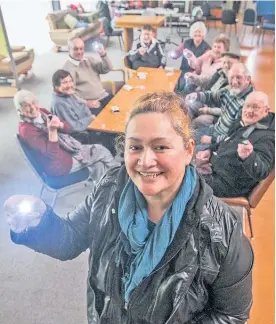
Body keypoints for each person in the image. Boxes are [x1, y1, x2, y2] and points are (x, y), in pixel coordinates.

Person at [5, 91, 253, 324]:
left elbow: (230, 315)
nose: (145, 161)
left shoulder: (223, 231)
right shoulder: (109, 188)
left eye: (161, 147)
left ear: (188, 151)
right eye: (135, 147)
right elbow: (69, 238)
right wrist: (40, 224)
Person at [15, 90, 119, 181]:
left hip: (68, 149)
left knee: (98, 165)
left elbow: (67, 128)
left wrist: (60, 125)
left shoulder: (42, 112)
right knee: (102, 151)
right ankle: (120, 181)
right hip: (59, 164)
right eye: (26, 106)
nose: (33, 108)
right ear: (20, 111)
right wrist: (52, 131)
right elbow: (52, 154)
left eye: (33, 103)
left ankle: (103, 191)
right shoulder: (26, 130)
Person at [196, 91, 275, 198]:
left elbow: (262, 172)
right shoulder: (243, 122)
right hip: (215, 170)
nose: (249, 111)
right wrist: (209, 150)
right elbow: (226, 141)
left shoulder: (268, 137)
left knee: (181, 181)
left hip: (227, 186)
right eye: (247, 106)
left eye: (255, 107)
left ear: (266, 110)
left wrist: (248, 157)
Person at [186, 63, 254, 151]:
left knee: (190, 151)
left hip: (222, 143)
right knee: (186, 137)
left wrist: (211, 140)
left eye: (238, 77)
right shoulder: (230, 89)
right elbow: (214, 96)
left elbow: (235, 137)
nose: (234, 82)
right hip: (215, 130)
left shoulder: (248, 104)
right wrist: (197, 95)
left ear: (248, 79)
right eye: (232, 77)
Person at [190, 52, 241, 128]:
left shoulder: (237, 84)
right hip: (207, 102)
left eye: (230, 63)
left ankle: (186, 134)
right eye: (224, 62)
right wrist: (194, 78)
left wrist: (208, 110)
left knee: (198, 121)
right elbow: (206, 81)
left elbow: (227, 111)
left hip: (218, 114)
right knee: (188, 106)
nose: (226, 65)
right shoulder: (220, 73)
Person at [63, 37, 113, 110]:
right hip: (90, 103)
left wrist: (103, 55)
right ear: (69, 49)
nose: (79, 52)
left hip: (103, 96)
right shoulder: (68, 69)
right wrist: (85, 103)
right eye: (76, 49)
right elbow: (69, 93)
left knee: (123, 109)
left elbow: (108, 68)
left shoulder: (89, 59)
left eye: (81, 48)